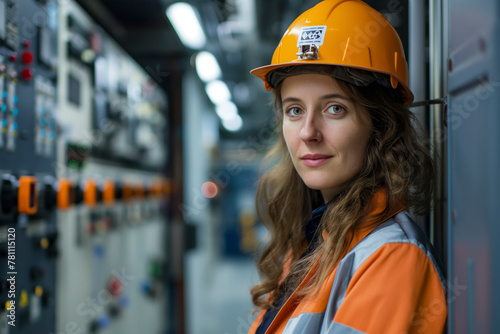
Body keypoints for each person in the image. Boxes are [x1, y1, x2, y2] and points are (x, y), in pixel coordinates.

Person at [248, 0, 447, 333]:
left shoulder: (391, 260)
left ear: (380, 125)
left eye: (335, 109)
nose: (308, 133)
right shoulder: (312, 239)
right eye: (295, 110)